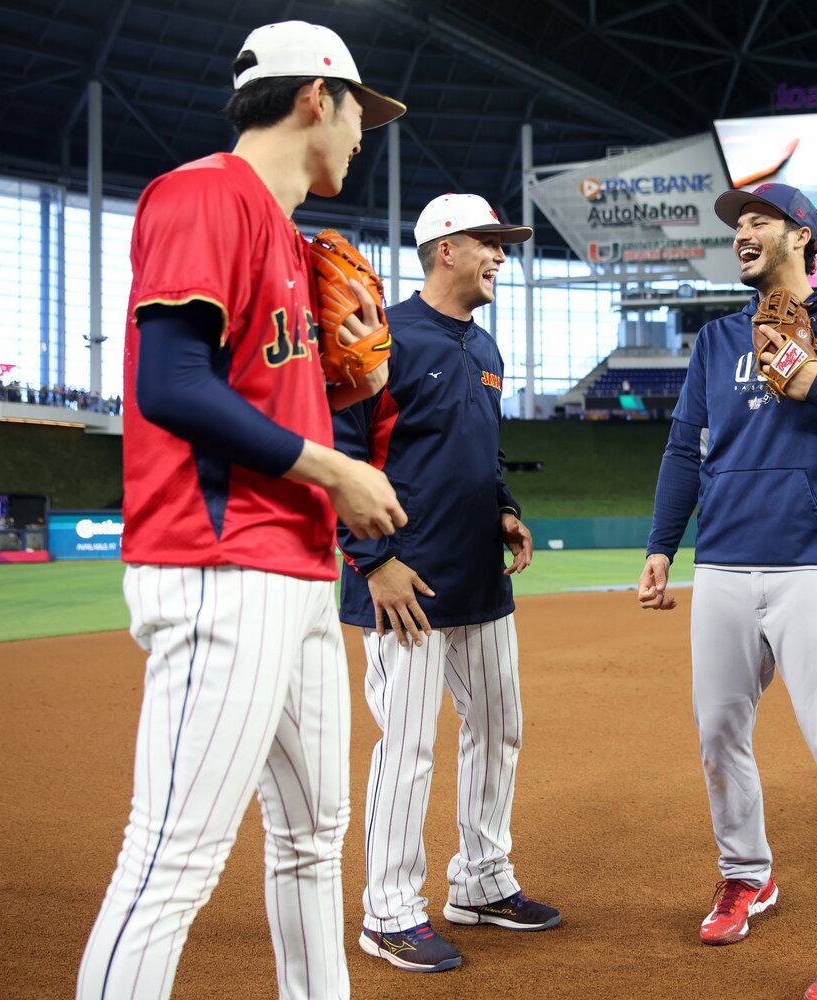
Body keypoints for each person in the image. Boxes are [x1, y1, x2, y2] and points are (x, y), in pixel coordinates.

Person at [77, 21, 408, 1000]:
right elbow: (170, 383)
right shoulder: (204, 194)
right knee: (171, 855)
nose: (363, 135)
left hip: (296, 572)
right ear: (316, 99)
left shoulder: (292, 243)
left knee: (313, 835)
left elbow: (260, 389)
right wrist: (334, 471)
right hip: (223, 566)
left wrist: (346, 387)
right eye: (360, 114)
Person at [637, 182, 817, 1000]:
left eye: (759, 220)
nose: (743, 232)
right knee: (717, 736)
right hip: (723, 566)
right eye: (737, 223)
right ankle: (747, 876)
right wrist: (664, 544)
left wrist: (814, 383)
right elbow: (683, 450)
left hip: (816, 565)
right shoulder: (717, 338)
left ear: (803, 235)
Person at [332, 192, 559, 976]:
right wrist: (373, 560)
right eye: (489, 243)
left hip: (479, 579)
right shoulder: (379, 336)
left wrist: (505, 510)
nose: (501, 256)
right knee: (409, 747)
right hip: (404, 583)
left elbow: (481, 454)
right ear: (445, 249)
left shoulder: (487, 347)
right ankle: (389, 913)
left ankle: (482, 881)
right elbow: (336, 454)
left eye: (502, 244)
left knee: (498, 726)